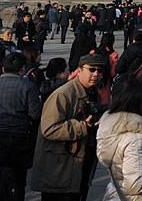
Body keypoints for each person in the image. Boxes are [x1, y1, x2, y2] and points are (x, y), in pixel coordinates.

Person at [31, 52, 108, 201]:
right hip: (60, 167)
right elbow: (49, 128)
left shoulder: (92, 92)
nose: (96, 74)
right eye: (91, 69)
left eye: (99, 71)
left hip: (79, 165)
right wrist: (82, 126)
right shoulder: (63, 94)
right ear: (79, 70)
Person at [0, 52, 42, 201]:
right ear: (22, 69)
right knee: (18, 181)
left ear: (3, 69)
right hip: (19, 142)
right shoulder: (28, 86)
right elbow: (35, 114)